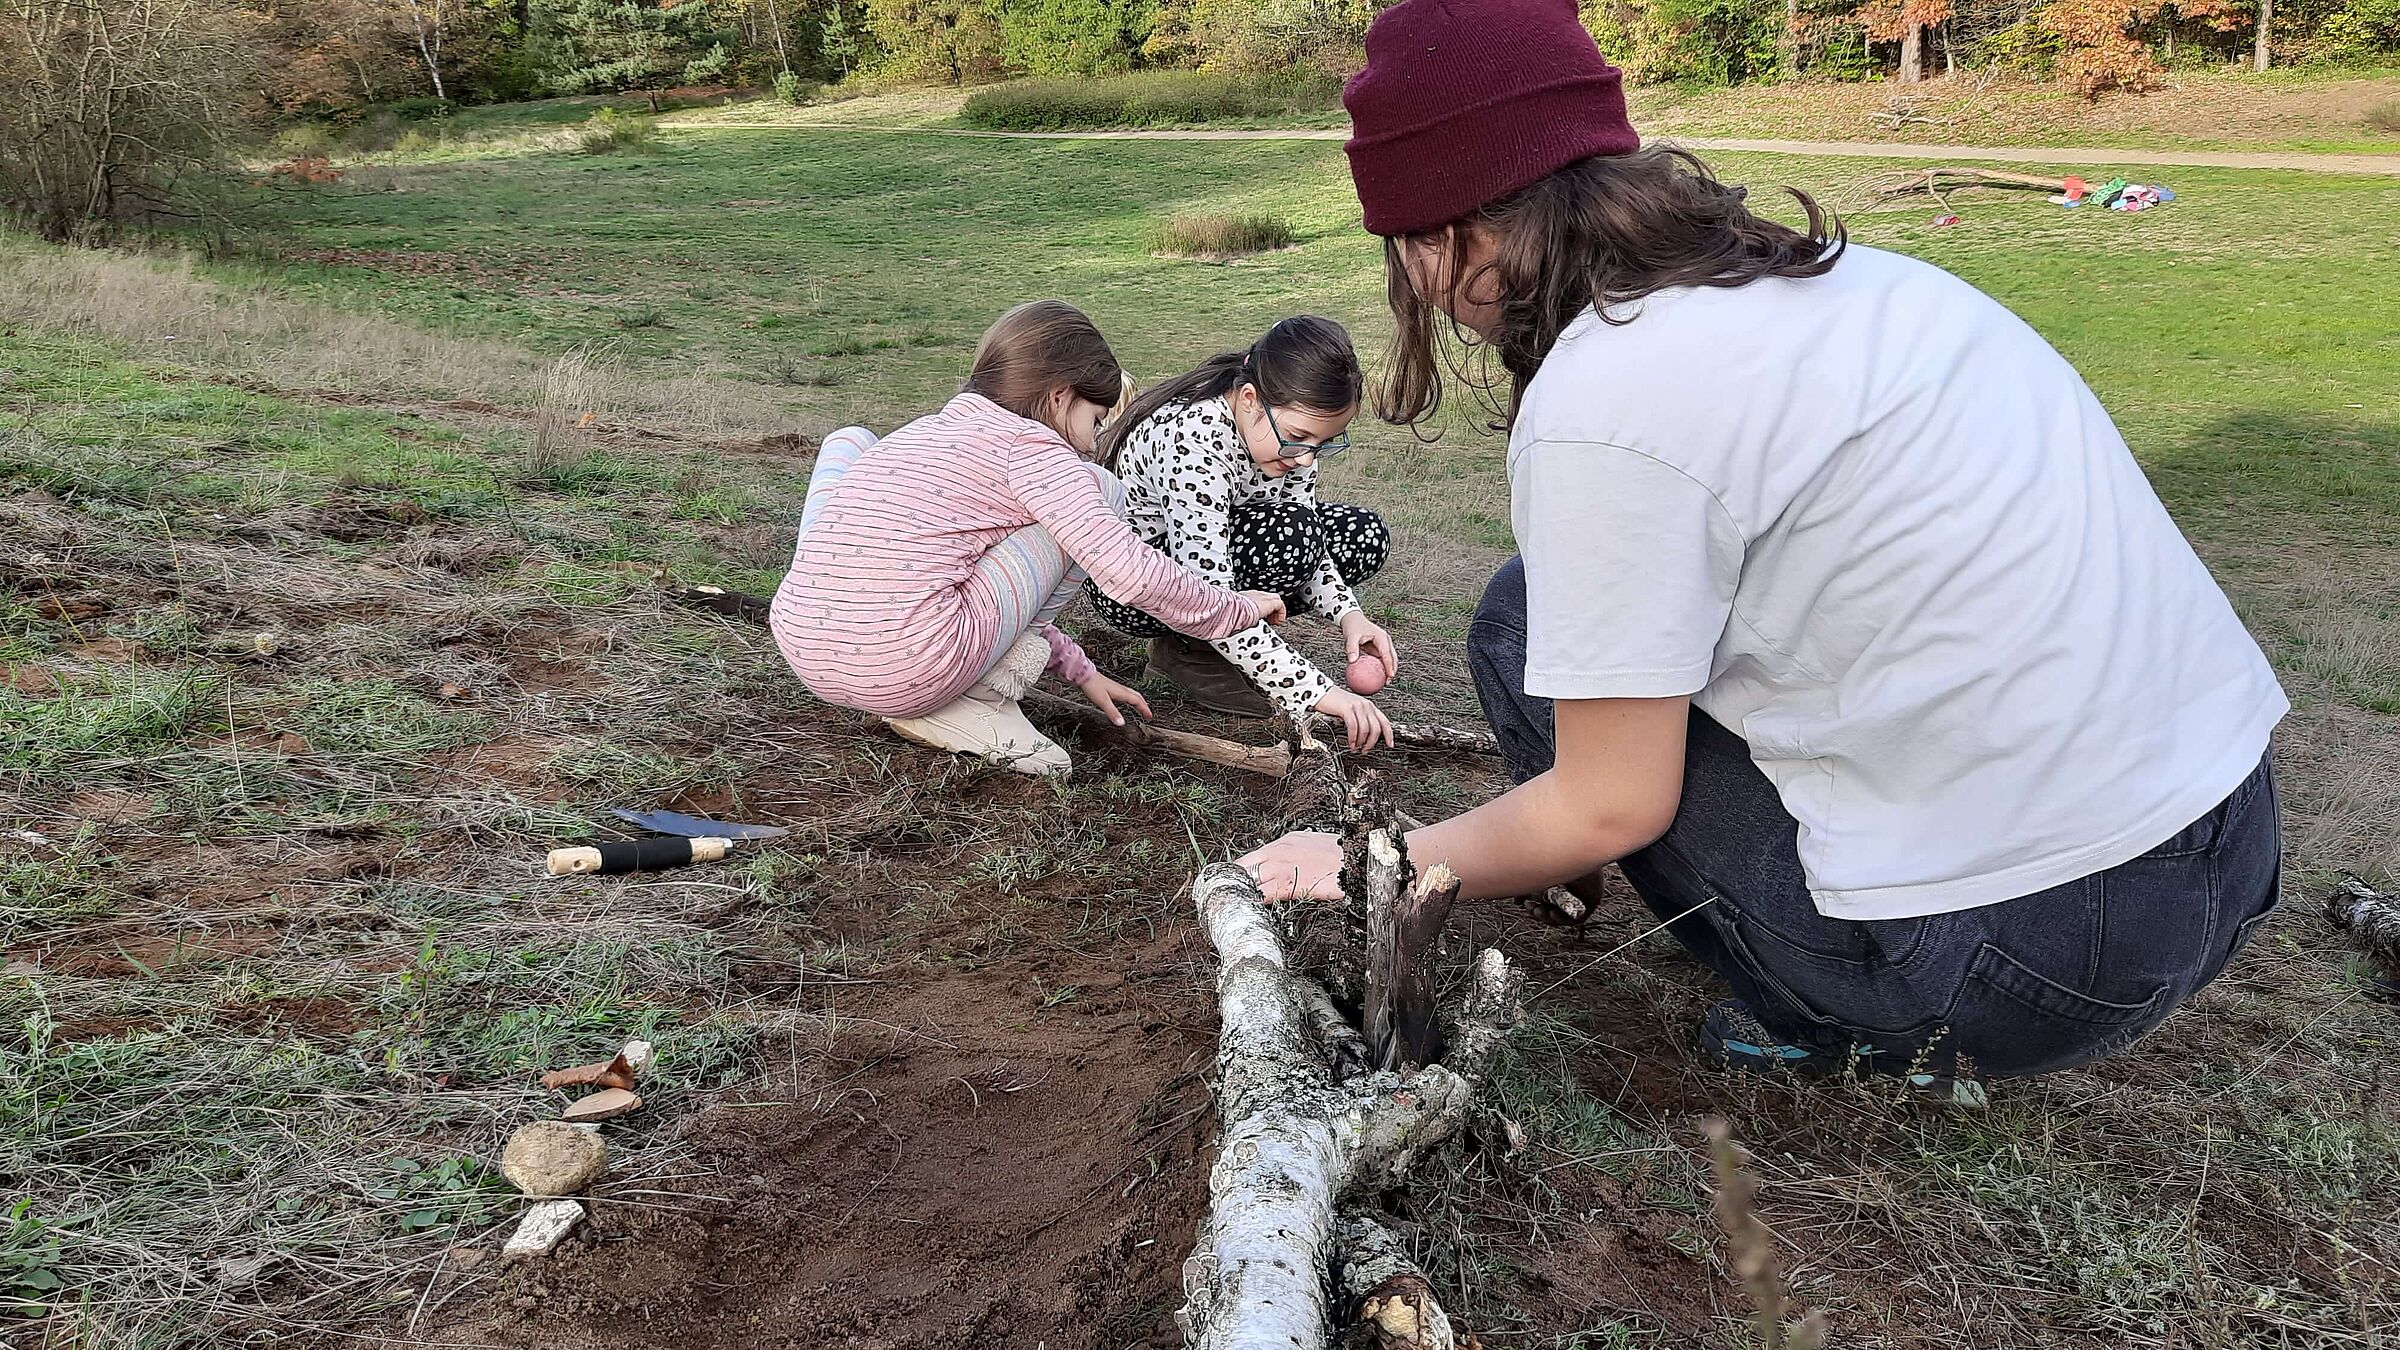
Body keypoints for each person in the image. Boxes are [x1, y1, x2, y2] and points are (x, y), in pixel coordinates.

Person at [1242, 0, 2287, 1090]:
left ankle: (1837, 1022)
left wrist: (1379, 864)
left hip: (2027, 962)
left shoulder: (1610, 396)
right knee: (1525, 607)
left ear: (1444, 238)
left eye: (1406, 249)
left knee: (1524, 646)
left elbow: (1611, 803)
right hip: (2230, 842)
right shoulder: (1847, 284)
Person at [770, 300, 1286, 776]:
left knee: (853, 441)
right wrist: (1232, 608)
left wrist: (1080, 671)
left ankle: (879, 645)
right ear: (1061, 396)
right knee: (1101, 488)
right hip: (908, 663)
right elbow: (1126, 569)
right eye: (1096, 418)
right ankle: (980, 698)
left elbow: (969, 582)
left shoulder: (923, 433)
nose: (1094, 438)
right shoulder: (1033, 447)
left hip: (803, 646)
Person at [1093, 315, 1400, 751]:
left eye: (1323, 444)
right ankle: (1186, 652)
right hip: (1135, 589)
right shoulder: (1193, 440)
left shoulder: (1286, 447)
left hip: (1213, 564)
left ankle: (1214, 650)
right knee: (1289, 537)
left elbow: (1307, 537)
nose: (1307, 460)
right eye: (1298, 438)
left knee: (1362, 535)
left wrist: (1351, 616)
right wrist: (1317, 693)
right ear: (1252, 400)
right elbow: (1206, 593)